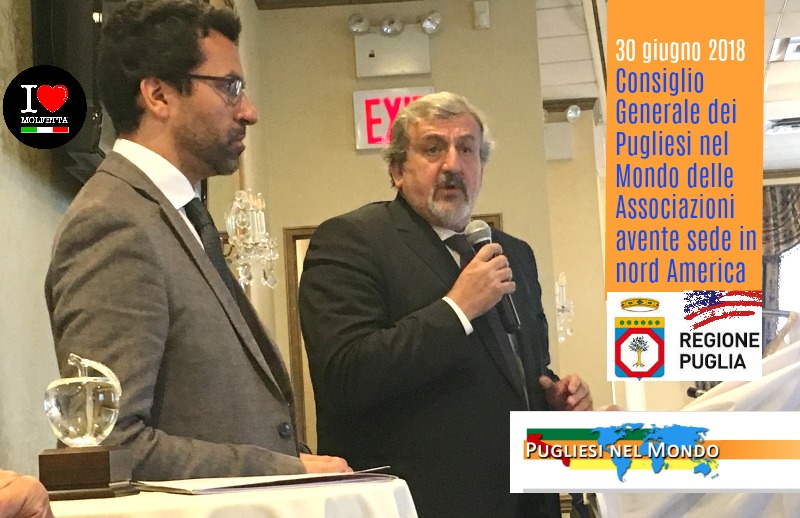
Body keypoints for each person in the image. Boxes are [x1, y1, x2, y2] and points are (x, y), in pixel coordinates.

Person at [45, 0, 348, 481]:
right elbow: (110, 447)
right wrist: (282, 469)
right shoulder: (113, 221)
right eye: (230, 87)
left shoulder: (176, 215)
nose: (249, 112)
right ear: (158, 95)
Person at [298, 92, 592, 518]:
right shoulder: (350, 241)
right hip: (418, 505)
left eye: (467, 149)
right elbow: (346, 375)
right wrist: (457, 309)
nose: (453, 164)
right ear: (397, 170)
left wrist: (554, 398)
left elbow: (517, 371)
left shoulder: (513, 252)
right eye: (433, 148)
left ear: (481, 167)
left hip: (524, 503)